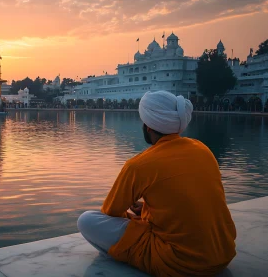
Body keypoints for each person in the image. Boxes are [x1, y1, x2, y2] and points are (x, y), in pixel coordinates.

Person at [77, 91, 236, 276]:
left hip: (182, 263)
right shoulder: (203, 150)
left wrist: (142, 217)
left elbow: (110, 213)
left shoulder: (138, 165)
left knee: (87, 220)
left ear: (148, 126)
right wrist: (147, 209)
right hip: (223, 254)